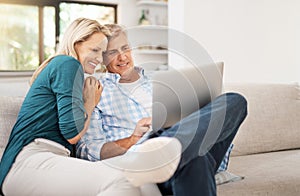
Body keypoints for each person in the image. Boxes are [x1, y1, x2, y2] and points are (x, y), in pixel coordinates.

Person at [0, 18, 182, 196]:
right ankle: (146, 158)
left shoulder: (71, 73)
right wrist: (90, 101)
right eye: (94, 50)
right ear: (75, 43)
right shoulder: (67, 63)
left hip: (49, 159)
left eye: (101, 52)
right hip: (26, 160)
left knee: (145, 188)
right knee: (121, 180)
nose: (98, 59)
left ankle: (148, 160)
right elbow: (72, 133)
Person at [76, 23, 248, 196]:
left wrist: (193, 115)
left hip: (191, 143)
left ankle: (170, 144)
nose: (122, 57)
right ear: (102, 58)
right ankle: (166, 149)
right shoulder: (97, 89)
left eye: (125, 48)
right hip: (151, 159)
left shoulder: (161, 79)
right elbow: (89, 152)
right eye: (113, 53)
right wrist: (134, 138)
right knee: (195, 159)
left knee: (235, 100)